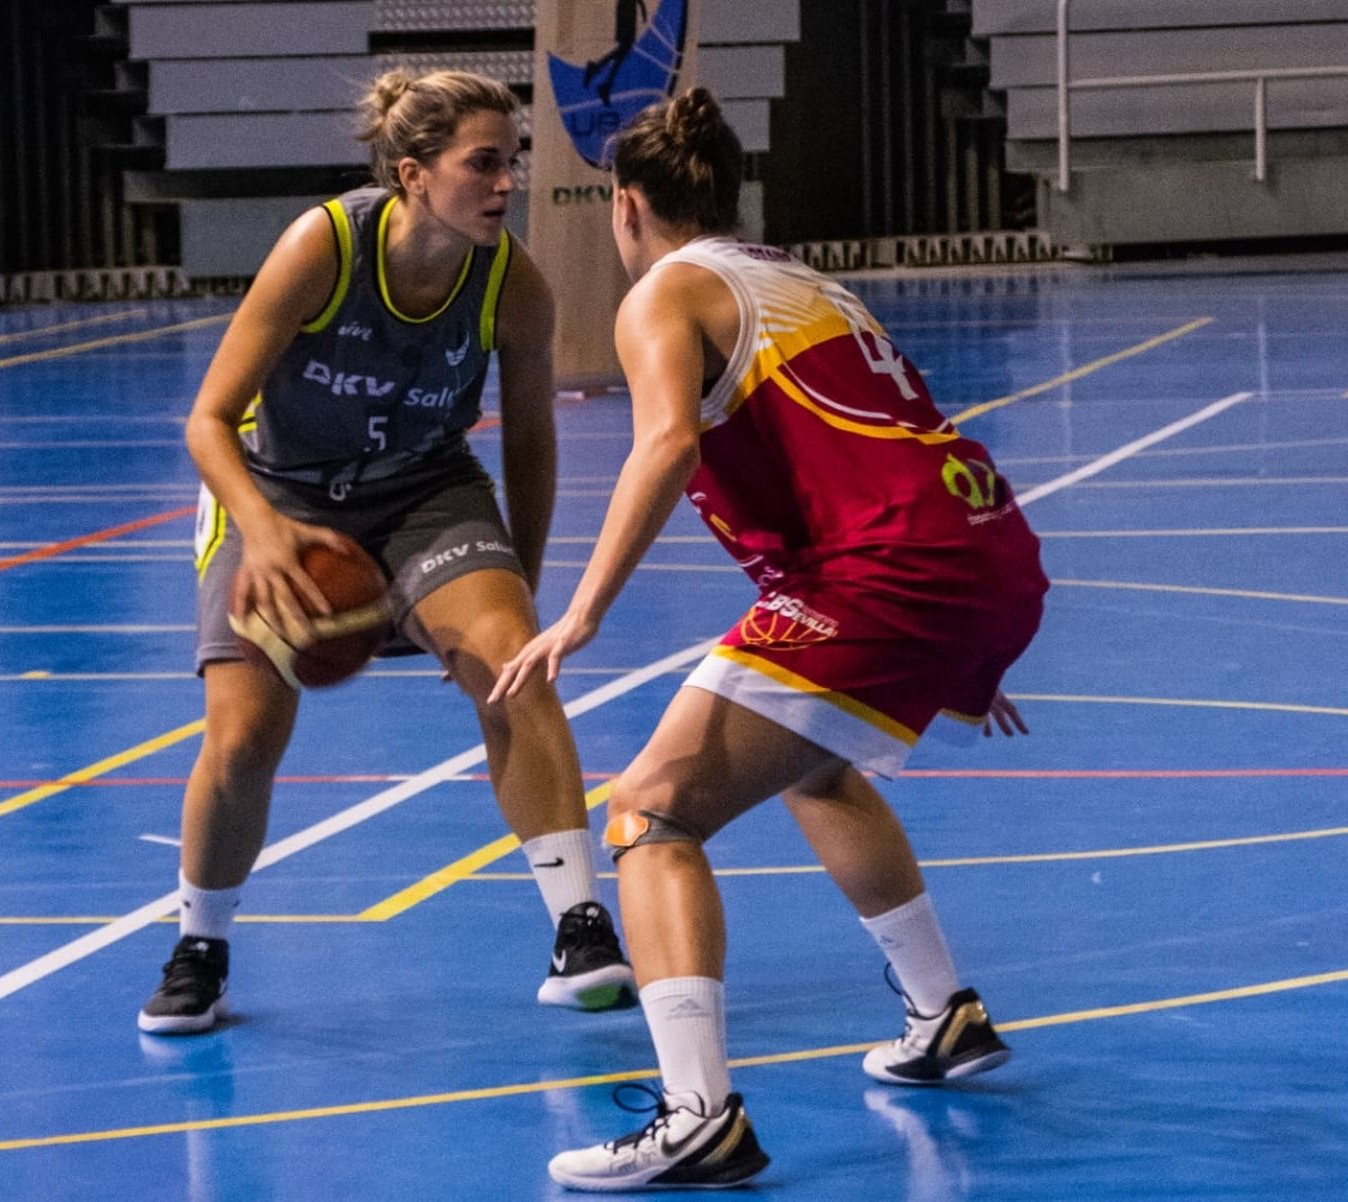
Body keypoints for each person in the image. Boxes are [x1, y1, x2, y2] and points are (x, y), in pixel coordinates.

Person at [491, 88, 1048, 1191]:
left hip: (887, 571)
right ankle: (940, 1013)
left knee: (650, 806)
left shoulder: (664, 292)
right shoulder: (798, 281)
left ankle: (696, 1113)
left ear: (627, 203)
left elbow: (661, 449)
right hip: (984, 548)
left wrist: (585, 605)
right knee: (815, 761)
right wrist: (966, 641)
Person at [138, 69, 636, 1035]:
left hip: (423, 489)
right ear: (413, 173)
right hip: (273, 488)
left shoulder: (514, 283)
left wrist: (516, 589)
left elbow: (531, 444)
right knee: (242, 740)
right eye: (483, 164)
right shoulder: (323, 247)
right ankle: (200, 945)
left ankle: (581, 926)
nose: (505, 184)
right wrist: (266, 528)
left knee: (513, 673)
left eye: (511, 163)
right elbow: (205, 420)